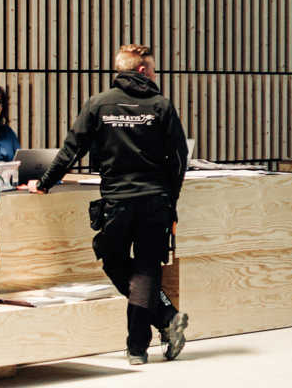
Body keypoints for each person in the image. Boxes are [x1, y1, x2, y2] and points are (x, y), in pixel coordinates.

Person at [24, 44, 191, 365]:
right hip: (155, 201)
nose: (155, 75)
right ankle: (154, 332)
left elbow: (71, 149)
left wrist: (43, 183)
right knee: (145, 269)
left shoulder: (99, 104)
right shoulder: (161, 106)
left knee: (114, 260)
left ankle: (150, 335)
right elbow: (180, 158)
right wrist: (171, 200)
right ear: (142, 70)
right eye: (153, 69)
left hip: (117, 201)